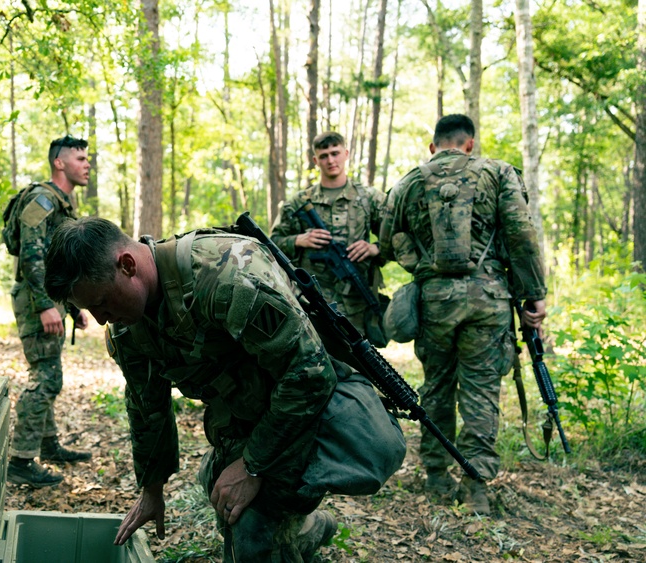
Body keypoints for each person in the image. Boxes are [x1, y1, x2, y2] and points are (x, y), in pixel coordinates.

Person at [43, 217, 407, 561]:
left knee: (251, 528)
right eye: (91, 310)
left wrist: (251, 467)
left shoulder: (228, 276)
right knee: (230, 499)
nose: (103, 319)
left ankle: (295, 519)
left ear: (127, 264)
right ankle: (302, 525)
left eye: (102, 303)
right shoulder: (127, 330)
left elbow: (309, 375)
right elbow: (146, 407)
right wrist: (152, 489)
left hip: (313, 400)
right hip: (250, 410)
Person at [379, 114, 547, 515]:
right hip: (488, 300)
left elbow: (386, 239)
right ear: (470, 143)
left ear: (433, 146)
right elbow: (521, 234)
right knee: (481, 390)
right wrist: (533, 296)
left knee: (437, 386)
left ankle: (436, 475)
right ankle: (475, 486)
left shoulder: (409, 181)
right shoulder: (499, 173)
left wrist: (421, 265)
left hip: (435, 300)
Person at [6, 135, 92, 487]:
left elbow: (59, 262)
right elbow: (31, 252)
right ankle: (21, 460)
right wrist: (45, 305)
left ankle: (48, 443)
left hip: (49, 300)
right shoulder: (42, 198)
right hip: (35, 300)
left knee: (49, 371)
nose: (87, 164)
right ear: (60, 163)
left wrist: (70, 308)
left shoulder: (62, 202)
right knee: (46, 378)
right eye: (80, 158)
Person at [270, 132, 388, 346]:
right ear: (315, 160)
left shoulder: (369, 199)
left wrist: (375, 248)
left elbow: (398, 239)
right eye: (324, 156)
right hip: (310, 305)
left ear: (346, 154)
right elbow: (272, 242)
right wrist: (298, 240)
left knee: (360, 369)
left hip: (357, 306)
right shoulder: (298, 202)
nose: (330, 160)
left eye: (335, 153)